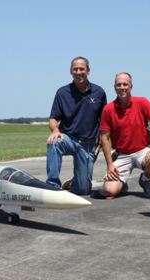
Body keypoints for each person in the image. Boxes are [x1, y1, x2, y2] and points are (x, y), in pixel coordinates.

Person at [98, 72, 150, 199]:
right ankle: (122, 183)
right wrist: (109, 165)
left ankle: (145, 180)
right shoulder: (108, 109)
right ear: (114, 87)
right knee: (110, 191)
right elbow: (104, 138)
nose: (122, 87)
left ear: (131, 86)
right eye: (119, 84)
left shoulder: (142, 102)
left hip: (142, 151)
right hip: (122, 154)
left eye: (125, 84)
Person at [46, 56, 107, 195]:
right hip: (68, 138)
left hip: (88, 144)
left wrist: (99, 146)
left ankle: (74, 183)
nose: (79, 72)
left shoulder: (99, 92)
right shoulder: (62, 92)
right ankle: (53, 186)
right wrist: (55, 130)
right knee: (54, 142)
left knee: (83, 190)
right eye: (75, 69)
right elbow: (53, 118)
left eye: (82, 69)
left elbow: (104, 123)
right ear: (71, 71)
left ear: (88, 71)